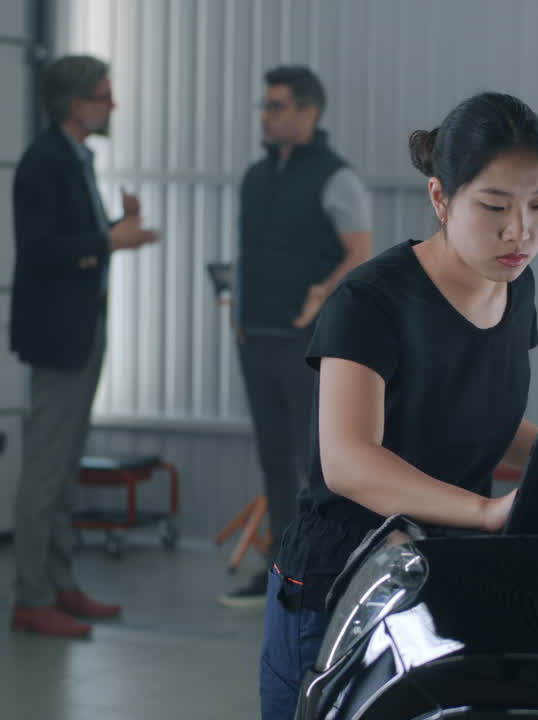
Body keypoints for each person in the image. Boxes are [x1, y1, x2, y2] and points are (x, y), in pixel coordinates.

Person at [258, 91, 538, 717]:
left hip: (441, 577)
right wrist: (485, 510)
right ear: (440, 198)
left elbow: (480, 417)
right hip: (341, 590)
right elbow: (348, 462)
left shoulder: (516, 284)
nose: (519, 231)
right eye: (495, 207)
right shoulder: (371, 301)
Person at [9, 55, 159, 638]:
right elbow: (39, 249)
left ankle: (60, 582)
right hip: (57, 337)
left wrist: (118, 230)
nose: (111, 105)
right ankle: (31, 595)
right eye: (103, 95)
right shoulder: (43, 161)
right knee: (45, 472)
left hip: (82, 329)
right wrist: (108, 238)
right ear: (76, 104)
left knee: (66, 466)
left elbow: (86, 241)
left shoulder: (77, 158)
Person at [220, 66, 373, 608]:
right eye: (264, 106)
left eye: (276, 106)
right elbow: (246, 252)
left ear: (308, 112)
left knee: (312, 461)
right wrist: (238, 311)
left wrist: (318, 297)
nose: (265, 115)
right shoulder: (256, 176)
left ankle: (321, 576)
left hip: (303, 342)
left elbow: (358, 253)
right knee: (273, 459)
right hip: (255, 335)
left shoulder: (336, 178)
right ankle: (278, 572)